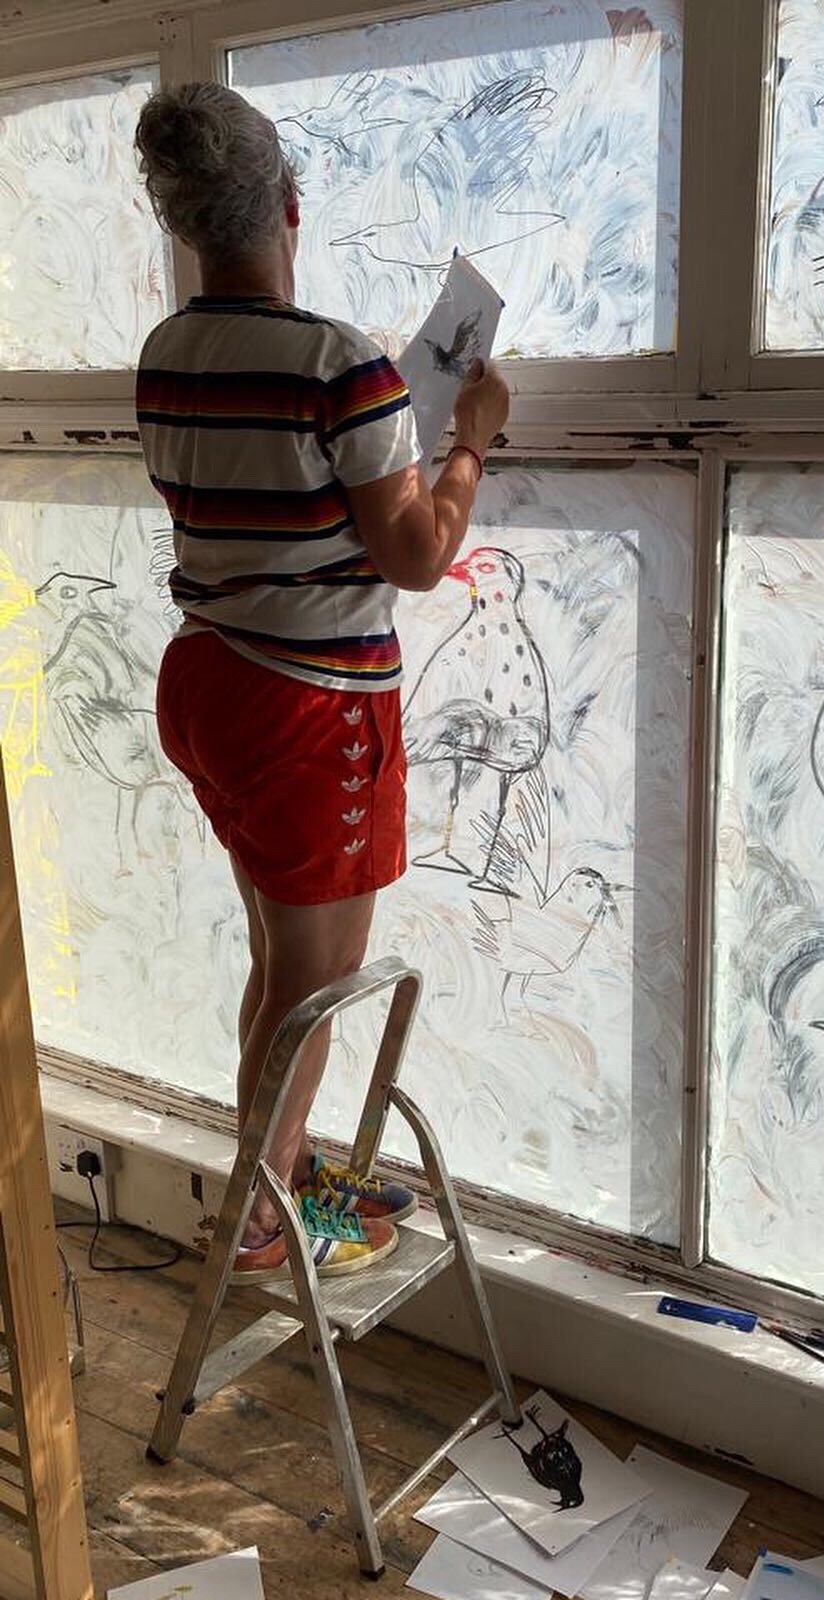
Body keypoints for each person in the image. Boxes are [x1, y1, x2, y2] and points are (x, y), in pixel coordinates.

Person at [134, 82, 509, 1282]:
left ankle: (275, 1175)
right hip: (305, 704)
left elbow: (262, 511)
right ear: (289, 203)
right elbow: (412, 557)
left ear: (185, 223)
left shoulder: (166, 352)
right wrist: (467, 441)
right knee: (317, 980)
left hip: (208, 680)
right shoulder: (338, 364)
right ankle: (257, 1221)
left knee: (278, 963)